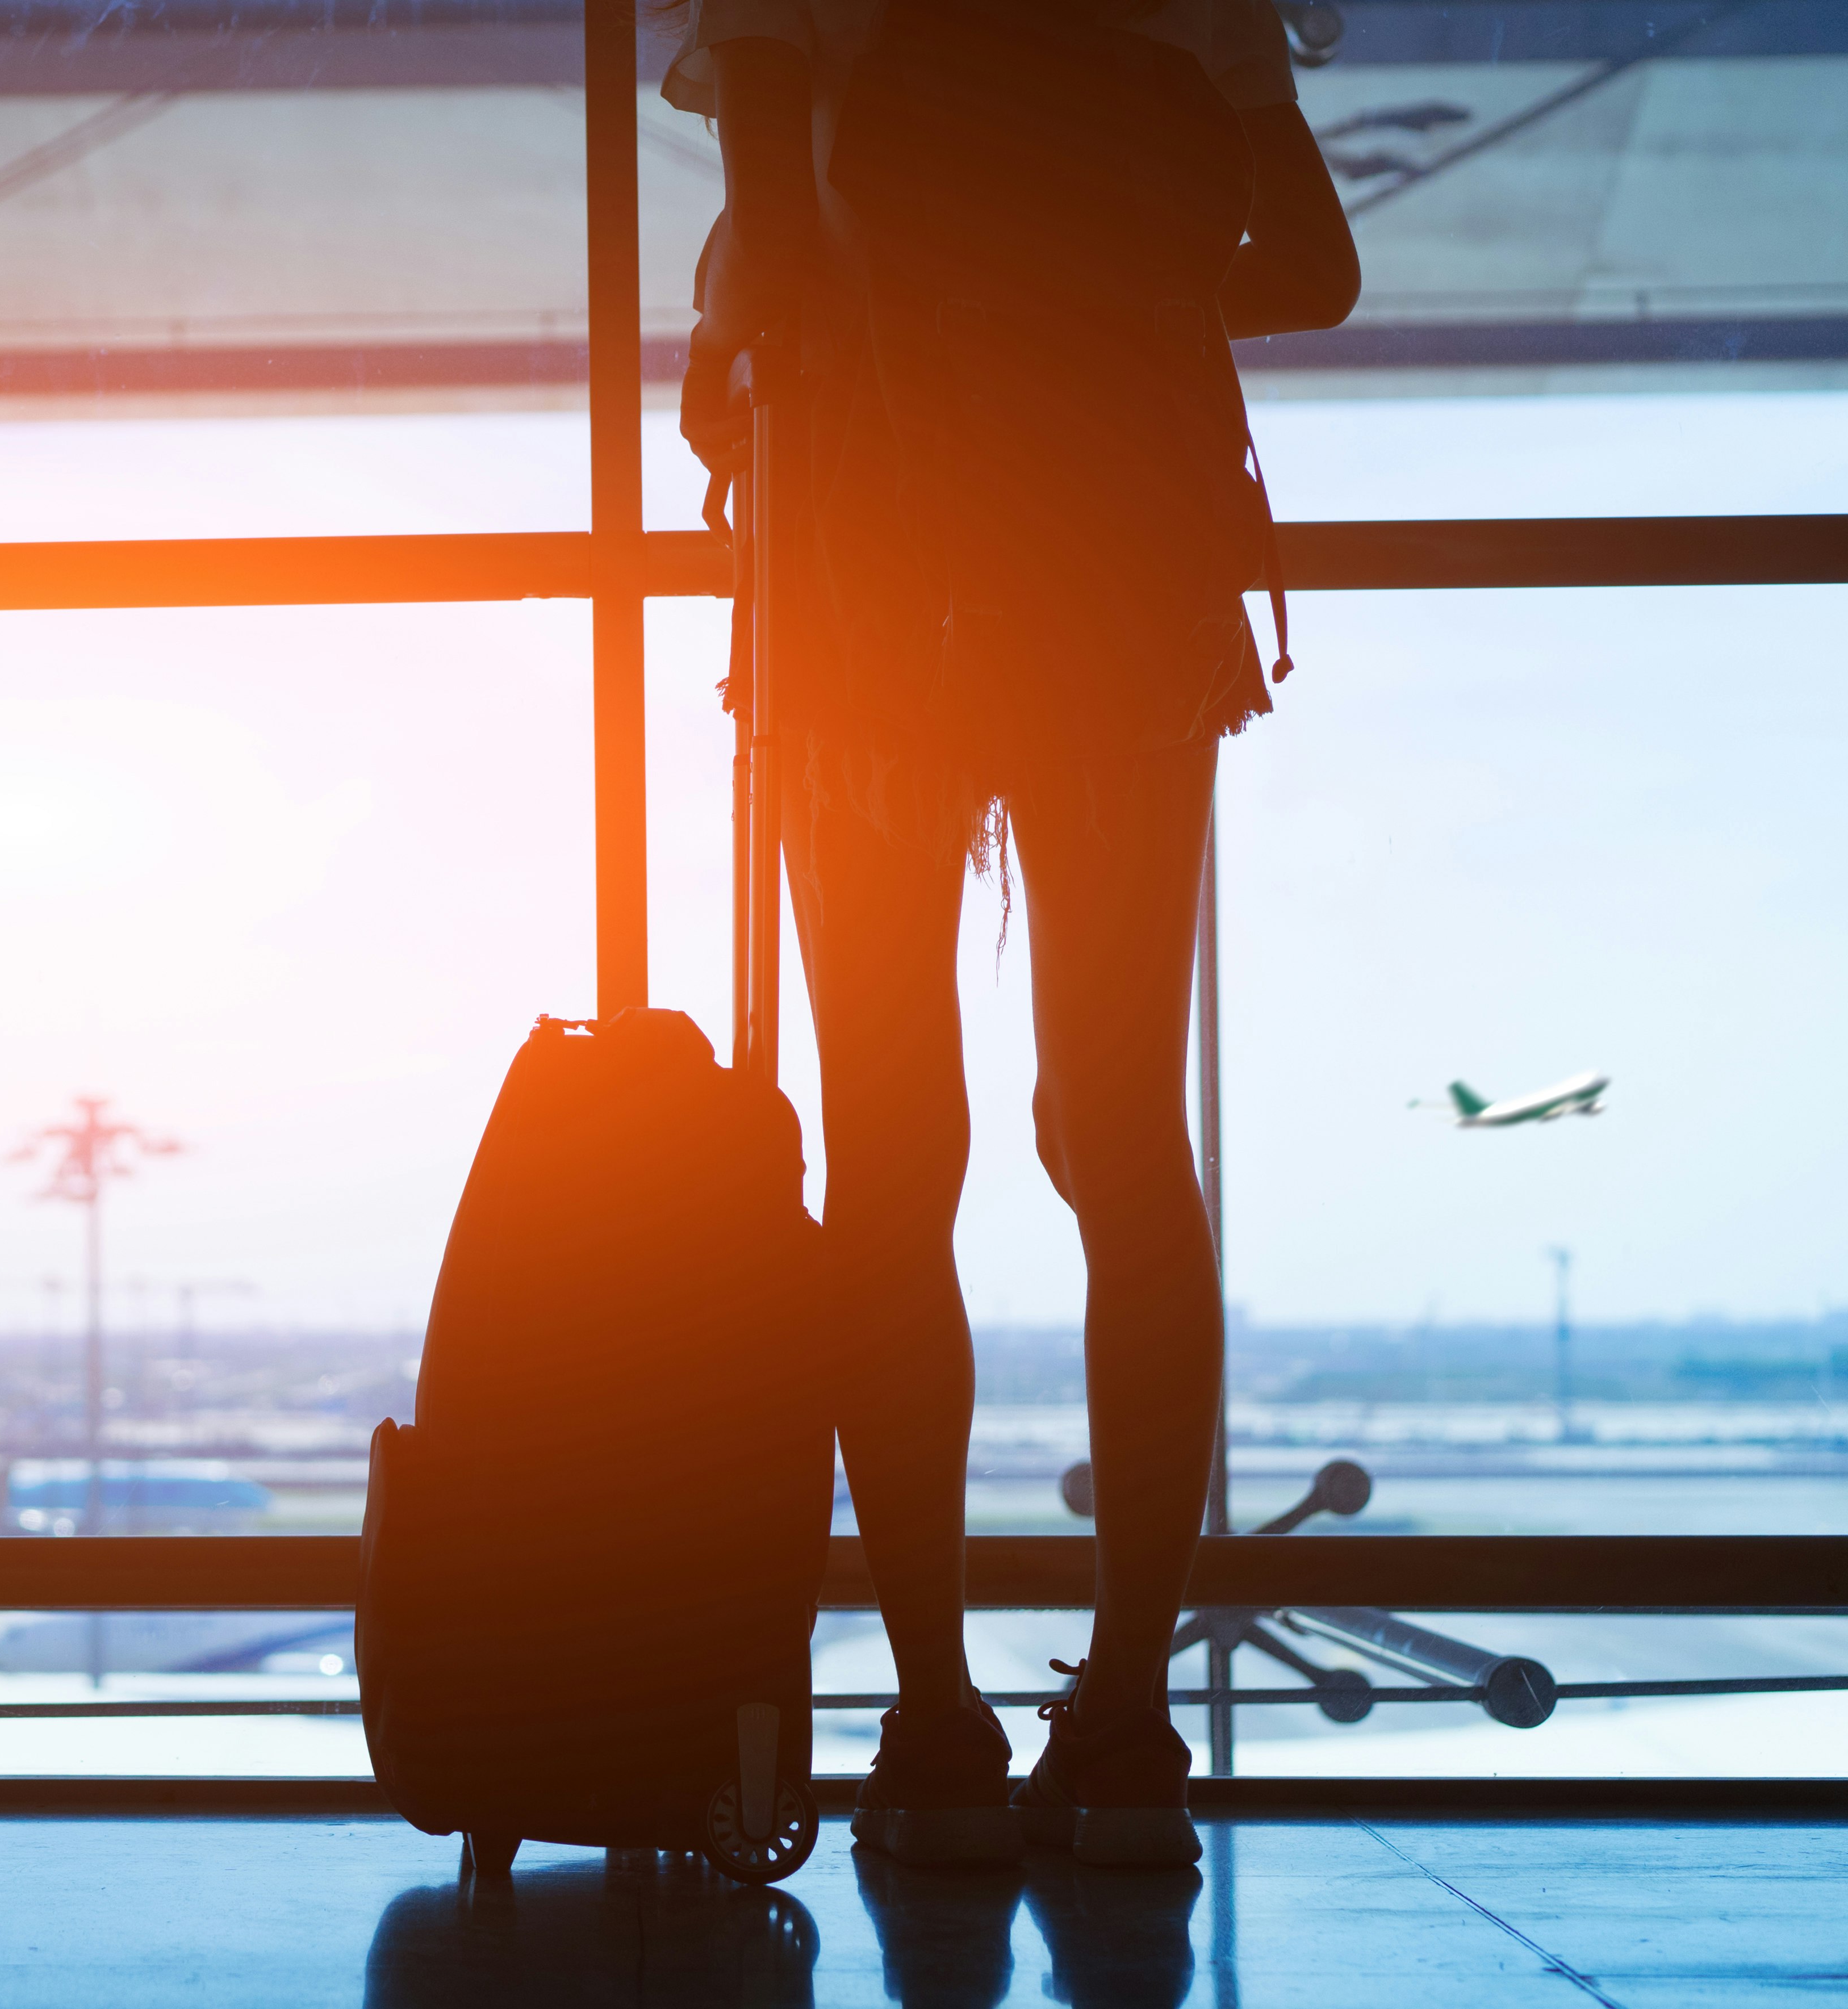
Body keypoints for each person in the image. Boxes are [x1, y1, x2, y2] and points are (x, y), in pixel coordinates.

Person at [664, 0, 1361, 1866]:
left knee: (896, 1152)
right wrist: (1104, 297)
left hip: (869, 611)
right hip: (1124, 604)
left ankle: (933, 1703)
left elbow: (776, 297)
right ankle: (1127, 1706)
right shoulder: (1186, 18)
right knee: (1124, 1145)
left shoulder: (801, 21)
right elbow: (1311, 269)